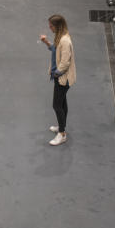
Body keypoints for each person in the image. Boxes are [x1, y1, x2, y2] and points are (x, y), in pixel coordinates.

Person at [39, 14, 75, 146]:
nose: (50, 28)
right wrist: (47, 42)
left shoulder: (65, 41)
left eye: (51, 26)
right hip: (59, 77)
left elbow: (65, 62)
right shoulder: (60, 37)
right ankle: (61, 127)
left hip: (62, 79)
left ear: (57, 26)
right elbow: (55, 50)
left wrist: (56, 74)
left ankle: (62, 134)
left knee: (57, 105)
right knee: (62, 103)